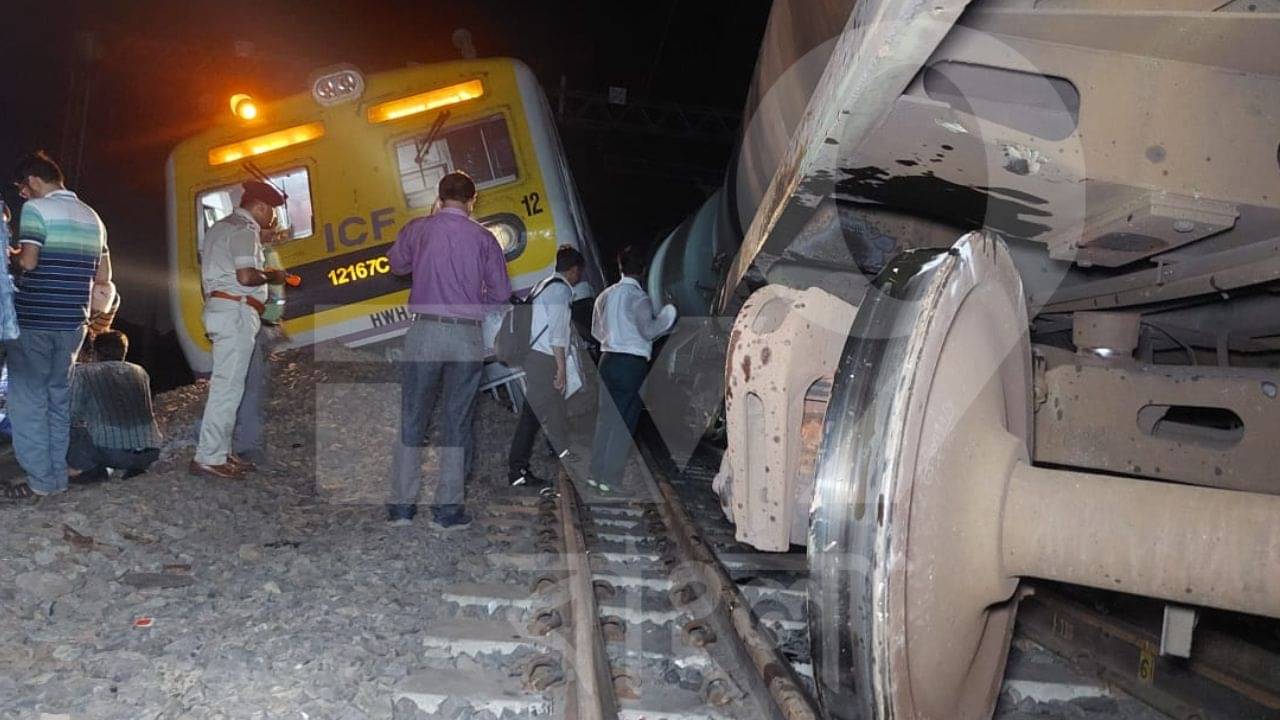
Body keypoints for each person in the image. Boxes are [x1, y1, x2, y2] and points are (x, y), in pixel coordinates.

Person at [385, 171, 512, 528]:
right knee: (457, 423)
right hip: (466, 337)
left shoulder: (418, 228)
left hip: (424, 332)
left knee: (413, 418)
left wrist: (427, 222)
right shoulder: (485, 238)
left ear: (439, 198)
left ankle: (401, 509)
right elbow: (501, 295)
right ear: (473, 201)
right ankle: (447, 512)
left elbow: (397, 265)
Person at [2, 151, 110, 501]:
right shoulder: (93, 216)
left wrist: (9, 254)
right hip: (72, 324)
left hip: (35, 320)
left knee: (28, 401)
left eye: (22, 188)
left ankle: (41, 480)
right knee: (57, 399)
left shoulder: (37, 210)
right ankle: (56, 478)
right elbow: (103, 277)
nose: (23, 196)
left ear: (33, 181)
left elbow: (29, 262)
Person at [189, 180, 288, 480]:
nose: (272, 220)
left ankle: (219, 453)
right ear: (258, 207)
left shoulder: (220, 227)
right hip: (236, 312)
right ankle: (208, 458)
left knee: (228, 386)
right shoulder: (246, 230)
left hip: (223, 310)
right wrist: (273, 274)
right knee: (227, 387)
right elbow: (246, 276)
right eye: (271, 213)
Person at [587, 246, 677, 493]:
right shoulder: (639, 298)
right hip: (631, 364)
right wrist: (668, 315)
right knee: (623, 422)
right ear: (643, 270)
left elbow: (596, 331)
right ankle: (610, 480)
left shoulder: (604, 296)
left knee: (605, 419)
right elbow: (649, 330)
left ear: (621, 267)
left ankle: (595, 475)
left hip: (607, 360)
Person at [507, 245, 584, 487]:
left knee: (555, 404)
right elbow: (558, 334)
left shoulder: (544, 284)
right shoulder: (561, 291)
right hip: (544, 358)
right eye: (578, 272)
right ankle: (517, 471)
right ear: (574, 270)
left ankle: (561, 450)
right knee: (532, 415)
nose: (578, 277)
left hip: (534, 356)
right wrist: (561, 369)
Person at [67, 330, 161, 482]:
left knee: (69, 427)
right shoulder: (140, 371)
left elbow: (72, 414)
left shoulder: (83, 373)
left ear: (95, 352)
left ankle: (83, 470)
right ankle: (128, 467)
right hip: (150, 452)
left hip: (113, 453)